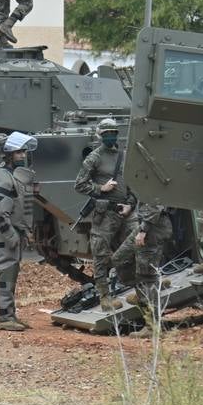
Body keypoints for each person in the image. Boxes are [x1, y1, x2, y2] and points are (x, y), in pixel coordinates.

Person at [74, 118, 133, 311]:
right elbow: (80, 184)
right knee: (100, 253)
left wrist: (131, 204)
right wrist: (101, 188)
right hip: (105, 213)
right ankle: (105, 297)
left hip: (125, 212)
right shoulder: (95, 157)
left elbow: (132, 183)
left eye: (113, 133)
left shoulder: (124, 156)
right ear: (100, 135)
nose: (110, 136)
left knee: (133, 250)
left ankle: (135, 288)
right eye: (106, 134)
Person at [0, 132, 38, 331]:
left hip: (11, 230)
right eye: (19, 152)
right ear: (9, 154)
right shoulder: (3, 176)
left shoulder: (11, 174)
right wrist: (10, 235)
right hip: (5, 231)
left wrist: (23, 232)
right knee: (6, 271)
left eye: (24, 151)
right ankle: (4, 317)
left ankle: (9, 314)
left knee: (11, 271)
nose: (23, 155)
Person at [112, 202, 173, 319]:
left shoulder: (151, 183)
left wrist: (143, 231)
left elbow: (156, 203)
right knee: (118, 258)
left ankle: (152, 324)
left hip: (154, 228)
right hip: (143, 226)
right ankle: (143, 295)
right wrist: (130, 206)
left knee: (147, 277)